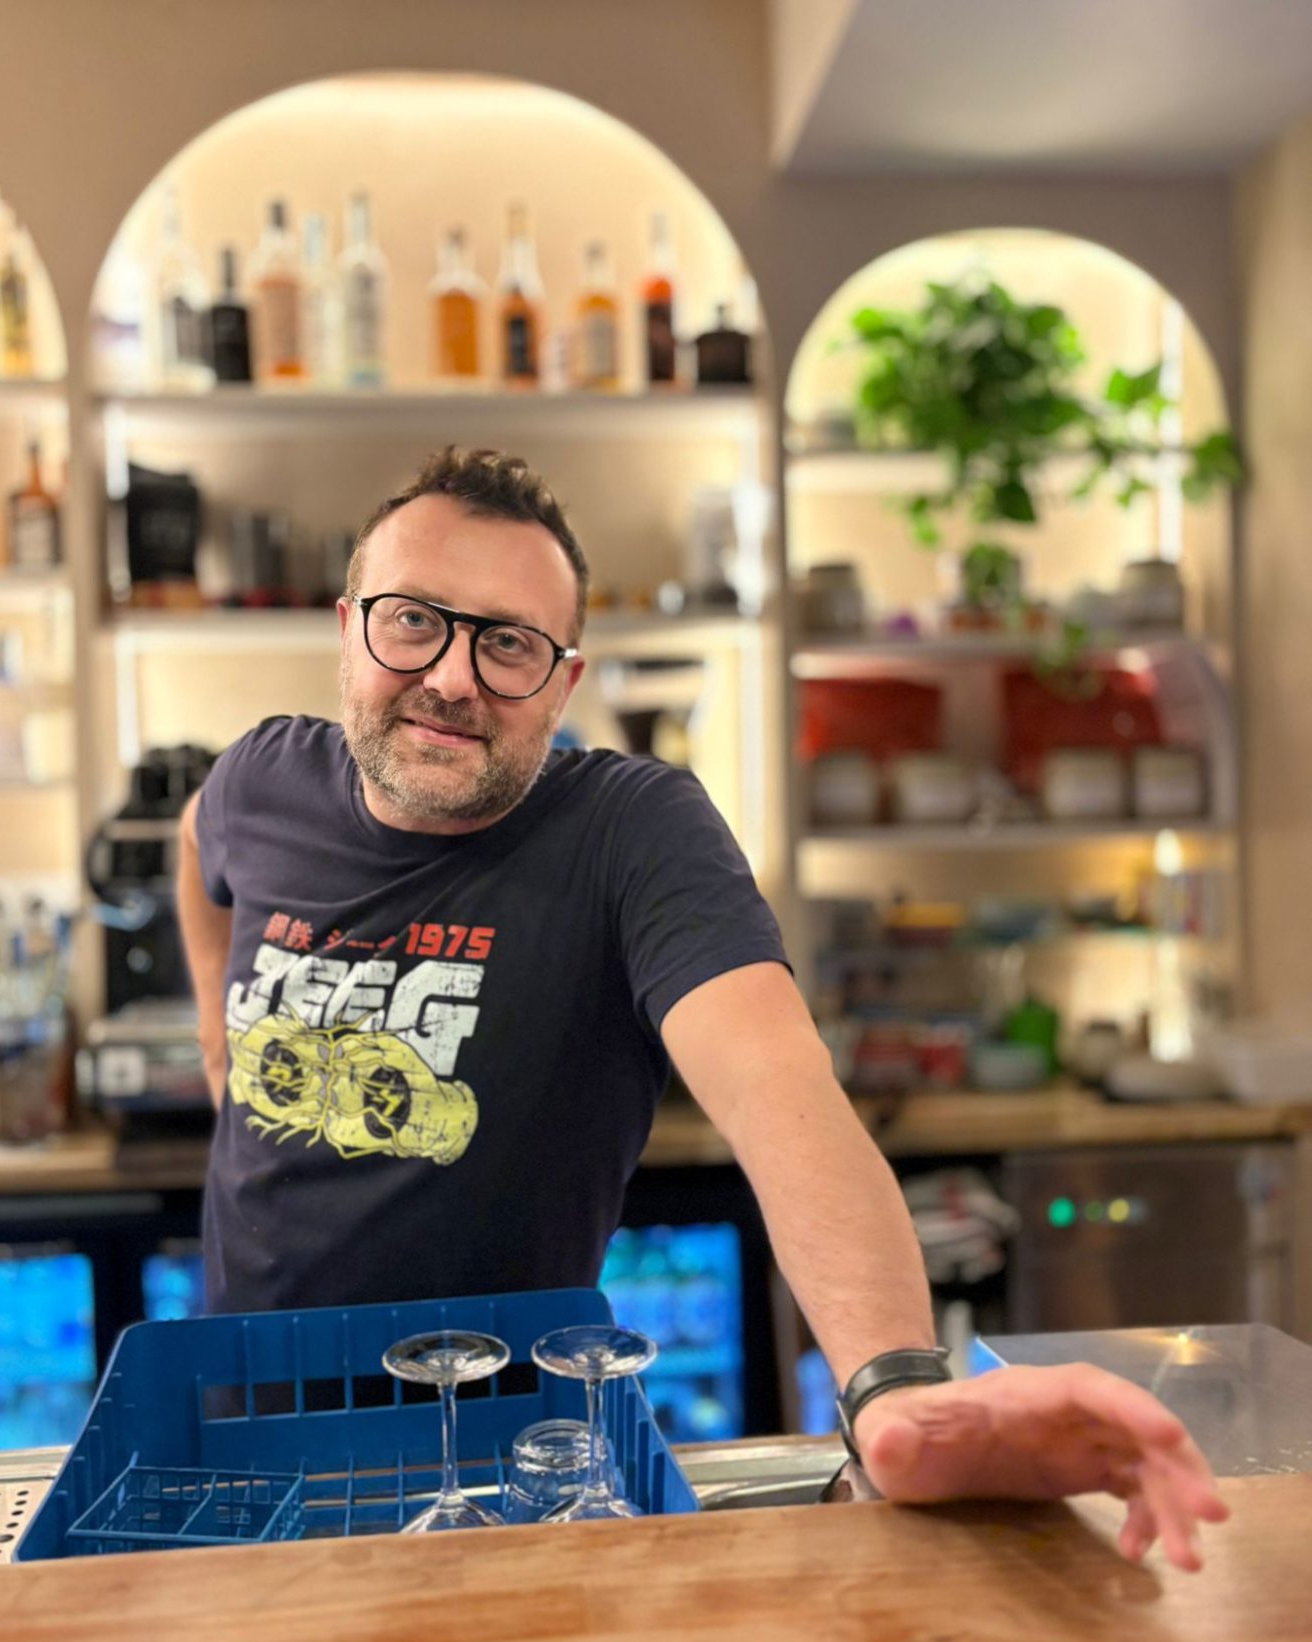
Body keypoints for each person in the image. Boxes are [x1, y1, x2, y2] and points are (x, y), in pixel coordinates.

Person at [178, 445, 1228, 1571]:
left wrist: (899, 1393)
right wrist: (218, 1038)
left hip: (501, 1479)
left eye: (508, 643)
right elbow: (195, 847)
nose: (452, 676)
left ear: (563, 682)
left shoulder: (630, 832)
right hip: (231, 1447)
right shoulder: (263, 777)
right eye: (411, 621)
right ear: (348, 627)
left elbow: (779, 1089)